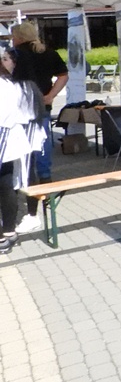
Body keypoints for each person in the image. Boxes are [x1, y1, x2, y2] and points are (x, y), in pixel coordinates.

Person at [10, 22, 68, 233]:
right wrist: (50, 95)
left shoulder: (14, 55)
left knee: (25, 157)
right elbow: (63, 75)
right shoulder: (48, 53)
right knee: (42, 151)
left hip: (20, 110)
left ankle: (29, 202)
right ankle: (46, 192)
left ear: (18, 37)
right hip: (42, 107)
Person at [0, 46, 46, 252]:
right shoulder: (23, 85)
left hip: (16, 139)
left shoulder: (16, 86)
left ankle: (26, 219)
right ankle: (14, 226)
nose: (3, 62)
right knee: (12, 182)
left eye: (6, 59)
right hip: (19, 139)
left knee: (19, 180)